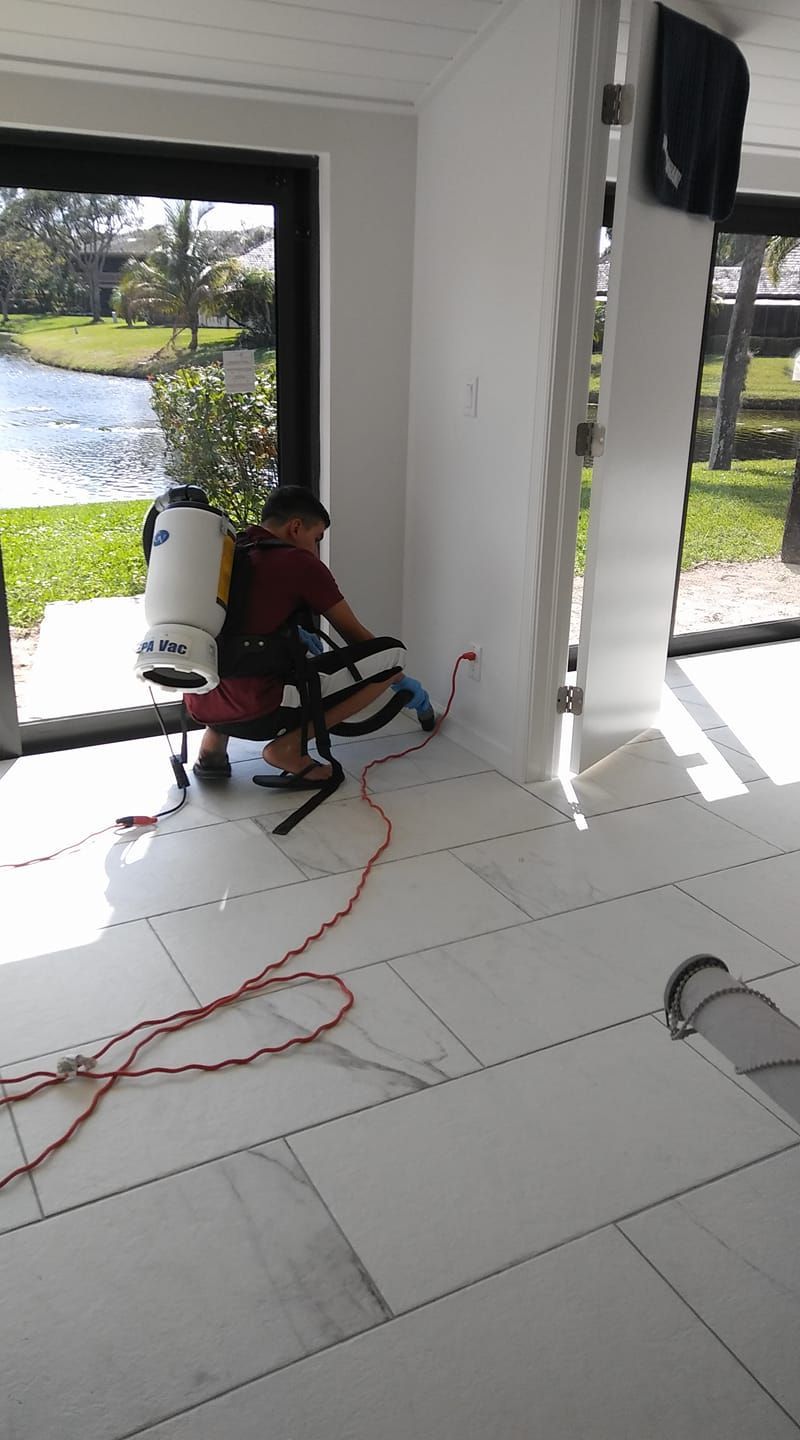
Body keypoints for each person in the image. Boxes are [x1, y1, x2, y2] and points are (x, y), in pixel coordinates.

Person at [186, 486, 406, 784]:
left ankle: (211, 751)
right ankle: (287, 748)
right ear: (296, 527)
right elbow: (355, 636)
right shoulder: (300, 564)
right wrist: (396, 677)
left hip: (200, 702)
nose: (316, 550)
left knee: (230, 653)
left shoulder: (230, 552)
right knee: (393, 654)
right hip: (260, 710)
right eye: (316, 539)